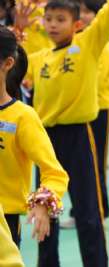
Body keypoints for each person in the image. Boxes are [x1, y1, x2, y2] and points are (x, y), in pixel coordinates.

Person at [24, 0, 109, 265]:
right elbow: (10, 64)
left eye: (61, 19)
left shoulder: (88, 44)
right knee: (45, 207)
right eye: (49, 19)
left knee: (87, 211)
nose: (53, 25)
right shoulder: (39, 58)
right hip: (45, 140)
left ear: (77, 24)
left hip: (79, 136)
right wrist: (18, 29)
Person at [0, 25, 68, 251]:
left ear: (7, 64)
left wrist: (42, 203)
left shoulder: (22, 117)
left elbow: (53, 172)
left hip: (4, 224)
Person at [60, 0, 109, 229]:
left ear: (98, 15)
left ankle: (100, 214)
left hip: (100, 109)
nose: (83, 15)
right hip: (81, 112)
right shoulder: (76, 41)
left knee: (97, 163)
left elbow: (90, 80)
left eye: (88, 11)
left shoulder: (99, 44)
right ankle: (79, 211)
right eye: (81, 11)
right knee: (79, 164)